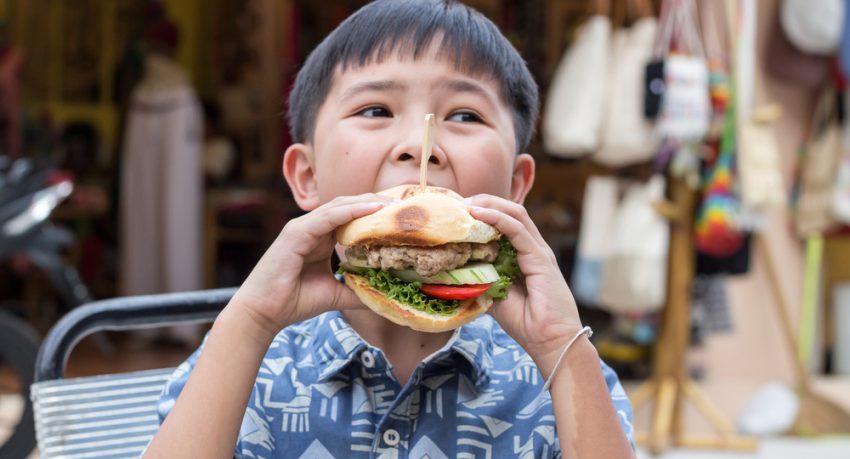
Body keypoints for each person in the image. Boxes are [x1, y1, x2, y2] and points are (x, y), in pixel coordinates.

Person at [145, 1, 635, 457]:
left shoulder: (565, 368)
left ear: (515, 184)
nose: (418, 147)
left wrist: (559, 346)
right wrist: (248, 321)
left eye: (465, 115)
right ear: (307, 176)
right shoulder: (247, 358)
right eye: (375, 110)